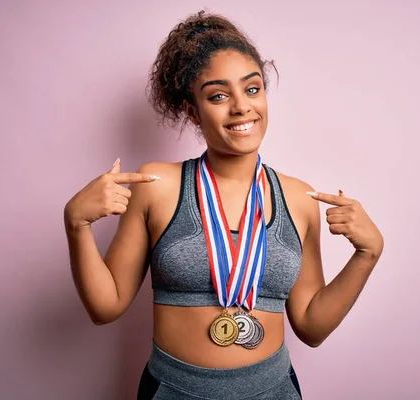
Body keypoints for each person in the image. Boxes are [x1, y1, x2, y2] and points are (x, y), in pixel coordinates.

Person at [63, 10, 384, 399]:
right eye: (218, 95)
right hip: (175, 391)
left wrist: (367, 254)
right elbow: (106, 306)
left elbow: (311, 327)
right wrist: (76, 225)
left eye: (252, 89)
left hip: (274, 391)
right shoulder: (157, 185)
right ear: (191, 110)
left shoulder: (299, 198)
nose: (241, 107)